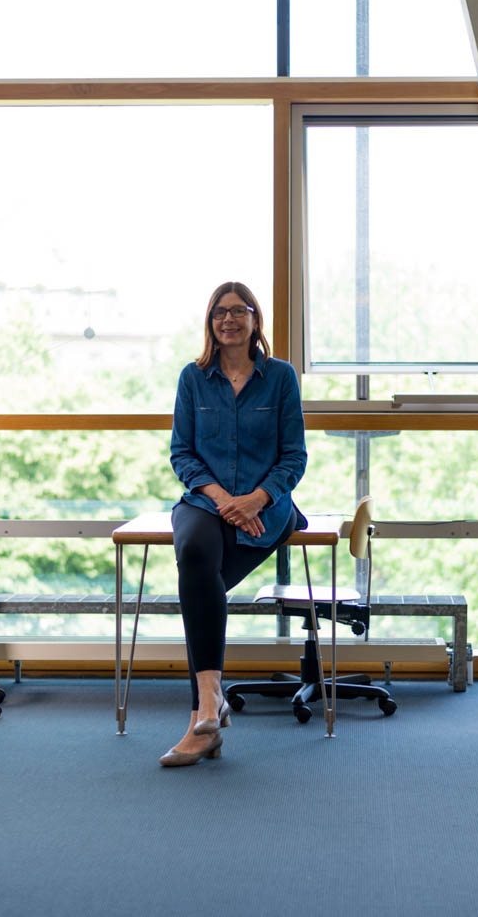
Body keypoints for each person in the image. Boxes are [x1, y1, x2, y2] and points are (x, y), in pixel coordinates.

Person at [162, 281, 307, 767]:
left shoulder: (281, 377)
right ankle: (207, 705)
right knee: (196, 553)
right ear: (210, 322)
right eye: (219, 313)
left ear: (254, 319)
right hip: (206, 502)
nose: (228, 320)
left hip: (266, 506)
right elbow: (181, 453)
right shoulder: (193, 377)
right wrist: (226, 500)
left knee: (198, 589)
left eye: (238, 311)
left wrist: (256, 500)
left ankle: (203, 718)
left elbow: (294, 457)